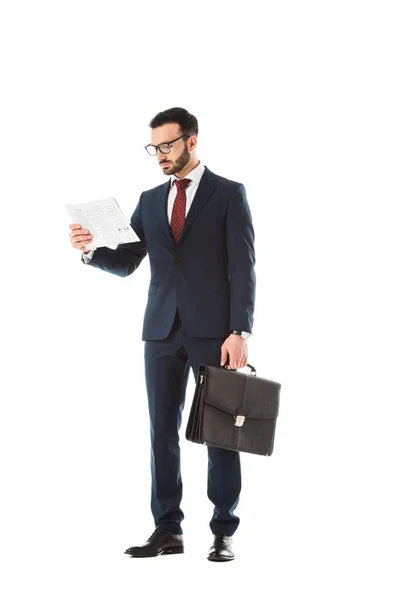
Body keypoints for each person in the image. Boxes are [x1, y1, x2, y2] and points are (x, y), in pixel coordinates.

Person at [69, 107, 256, 562]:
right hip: (160, 332)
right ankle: (167, 529)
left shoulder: (228, 193)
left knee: (219, 434)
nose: (160, 155)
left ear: (192, 141)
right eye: (154, 147)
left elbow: (243, 266)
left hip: (215, 335)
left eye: (167, 145)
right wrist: (91, 250)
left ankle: (223, 531)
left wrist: (240, 330)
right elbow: (130, 259)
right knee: (160, 432)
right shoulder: (151, 199)